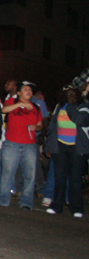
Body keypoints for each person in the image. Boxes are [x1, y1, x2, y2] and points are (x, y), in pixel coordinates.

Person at [0, 81, 43, 209]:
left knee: (29, 174)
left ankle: (26, 202)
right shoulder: (12, 102)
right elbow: (3, 110)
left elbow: (40, 125)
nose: (29, 92)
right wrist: (21, 104)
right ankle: (3, 199)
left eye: (30, 90)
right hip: (12, 143)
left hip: (30, 145)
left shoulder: (36, 107)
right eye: (26, 89)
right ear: (19, 93)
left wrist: (36, 127)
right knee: (7, 172)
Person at [44, 86, 87, 218]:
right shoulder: (59, 107)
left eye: (73, 94)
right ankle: (57, 205)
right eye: (68, 94)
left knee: (75, 179)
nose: (70, 96)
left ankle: (76, 207)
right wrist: (48, 146)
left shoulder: (83, 107)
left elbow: (81, 120)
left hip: (77, 148)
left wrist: (71, 106)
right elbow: (52, 128)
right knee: (60, 177)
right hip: (60, 147)